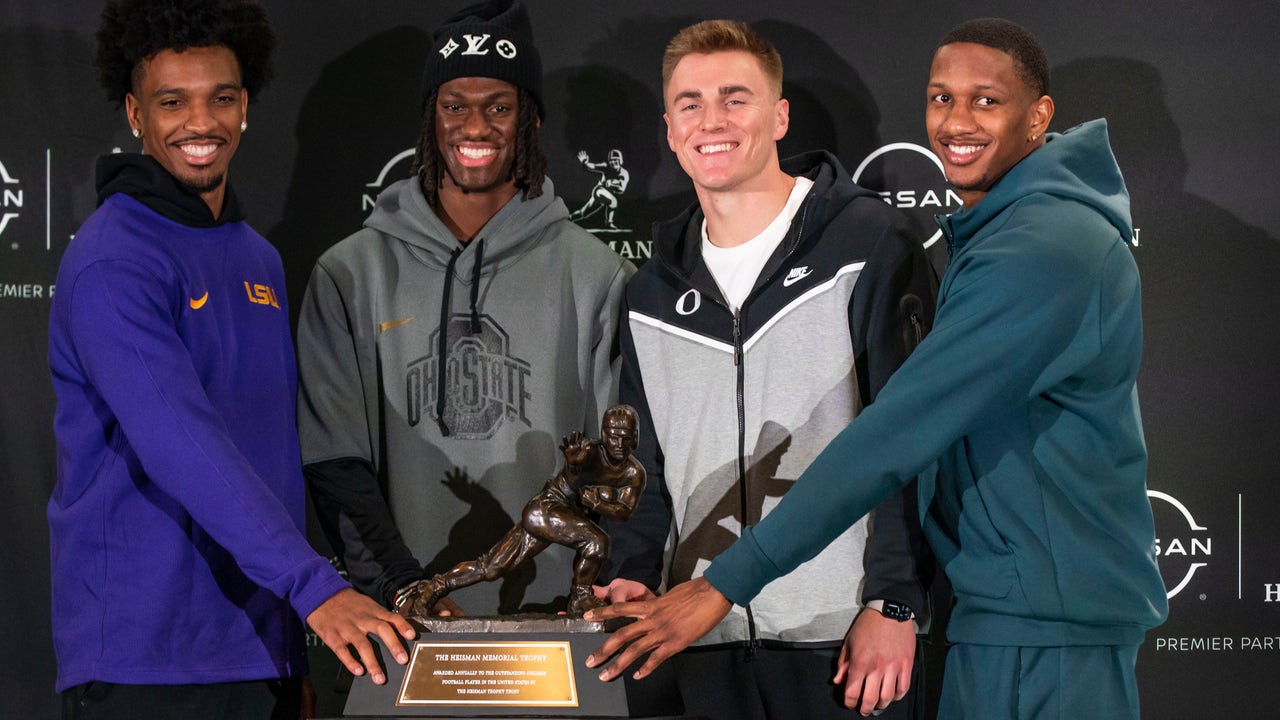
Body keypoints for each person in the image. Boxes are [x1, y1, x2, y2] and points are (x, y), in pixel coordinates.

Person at [586, 17, 1169, 720]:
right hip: (999, 614)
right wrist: (639, 571)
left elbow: (896, 436)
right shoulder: (1001, 234)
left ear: (1039, 115)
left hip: (1034, 625)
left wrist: (881, 596)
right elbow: (640, 458)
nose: (958, 121)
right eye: (942, 98)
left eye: (986, 100)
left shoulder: (1037, 247)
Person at [46, 1, 415, 718]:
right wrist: (316, 590)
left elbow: (269, 456)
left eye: (220, 98)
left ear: (244, 106)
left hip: (262, 646)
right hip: (146, 659)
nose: (200, 123)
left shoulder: (258, 258)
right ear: (136, 114)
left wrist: (289, 639)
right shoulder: (113, 259)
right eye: (172, 102)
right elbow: (180, 441)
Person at [590, 19, 937, 720]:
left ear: (779, 117)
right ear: (669, 130)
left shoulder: (869, 242)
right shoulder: (652, 288)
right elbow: (643, 463)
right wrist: (630, 573)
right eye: (691, 104)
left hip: (841, 638)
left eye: (735, 98)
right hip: (695, 639)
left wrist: (894, 602)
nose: (711, 121)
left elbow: (914, 440)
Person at [295, 0, 633, 620]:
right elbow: (334, 461)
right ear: (431, 117)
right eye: (455, 106)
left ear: (531, 119)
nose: (475, 127)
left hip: (559, 626)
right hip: (404, 622)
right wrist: (401, 588)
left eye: (499, 107)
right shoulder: (350, 273)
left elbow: (623, 467)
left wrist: (596, 596)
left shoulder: (598, 275)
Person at [399, 405, 645, 617]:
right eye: (614, 437)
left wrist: (597, 504)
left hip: (557, 516)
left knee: (491, 567)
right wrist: (573, 466)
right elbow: (572, 479)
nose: (619, 444)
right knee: (597, 542)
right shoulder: (588, 451)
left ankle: (434, 588)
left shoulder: (633, 473)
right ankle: (580, 596)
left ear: (635, 438)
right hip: (545, 509)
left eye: (626, 438)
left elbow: (624, 512)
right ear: (604, 434)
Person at [569, 149, 629, 229]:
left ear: (620, 160)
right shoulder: (606, 167)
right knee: (614, 202)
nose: (613, 162)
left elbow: (621, 190)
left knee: (583, 213)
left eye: (615, 159)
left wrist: (612, 184)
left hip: (607, 195)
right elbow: (594, 166)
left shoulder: (624, 173)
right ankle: (609, 223)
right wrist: (585, 163)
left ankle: (570, 218)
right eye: (611, 160)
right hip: (599, 191)